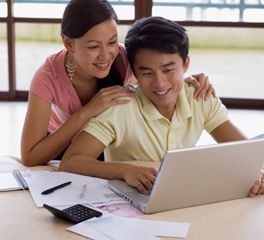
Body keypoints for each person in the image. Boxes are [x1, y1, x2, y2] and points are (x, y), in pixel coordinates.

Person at [59, 16, 264, 197]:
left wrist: (257, 174)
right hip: (131, 204)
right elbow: (71, 162)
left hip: (182, 197)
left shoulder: (201, 97)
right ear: (135, 74)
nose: (160, 83)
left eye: (168, 70)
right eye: (147, 73)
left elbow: (246, 154)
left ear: (185, 64)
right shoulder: (119, 107)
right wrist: (125, 170)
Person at [21, 0, 214, 167]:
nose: (106, 55)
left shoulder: (122, 58)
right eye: (93, 46)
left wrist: (186, 80)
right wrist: (88, 111)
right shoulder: (47, 77)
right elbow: (30, 157)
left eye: (112, 42)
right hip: (63, 147)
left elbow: (157, 68)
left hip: (107, 143)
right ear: (69, 44)